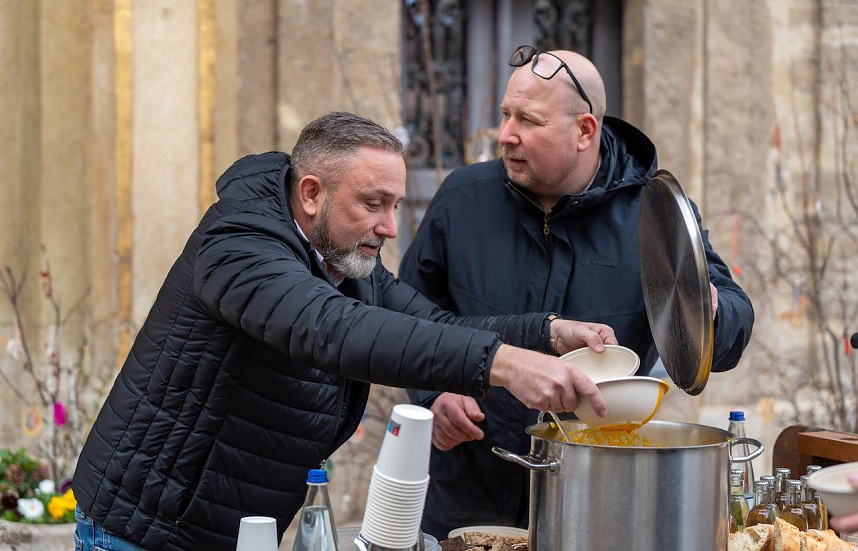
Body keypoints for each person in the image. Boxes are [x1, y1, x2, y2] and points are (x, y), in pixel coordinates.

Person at [71, 111, 619, 551]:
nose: (389, 227)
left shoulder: (342, 259)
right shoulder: (239, 246)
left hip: (224, 524)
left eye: (396, 206)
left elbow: (429, 323)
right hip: (144, 529)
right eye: (372, 204)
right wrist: (505, 366)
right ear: (311, 194)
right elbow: (332, 329)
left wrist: (546, 334)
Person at [399, 45, 756, 539]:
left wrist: (708, 311)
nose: (506, 135)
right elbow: (406, 314)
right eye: (505, 114)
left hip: (602, 499)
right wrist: (433, 392)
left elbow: (730, 331)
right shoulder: (461, 197)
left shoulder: (653, 215)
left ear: (584, 130)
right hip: (467, 492)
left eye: (529, 120)